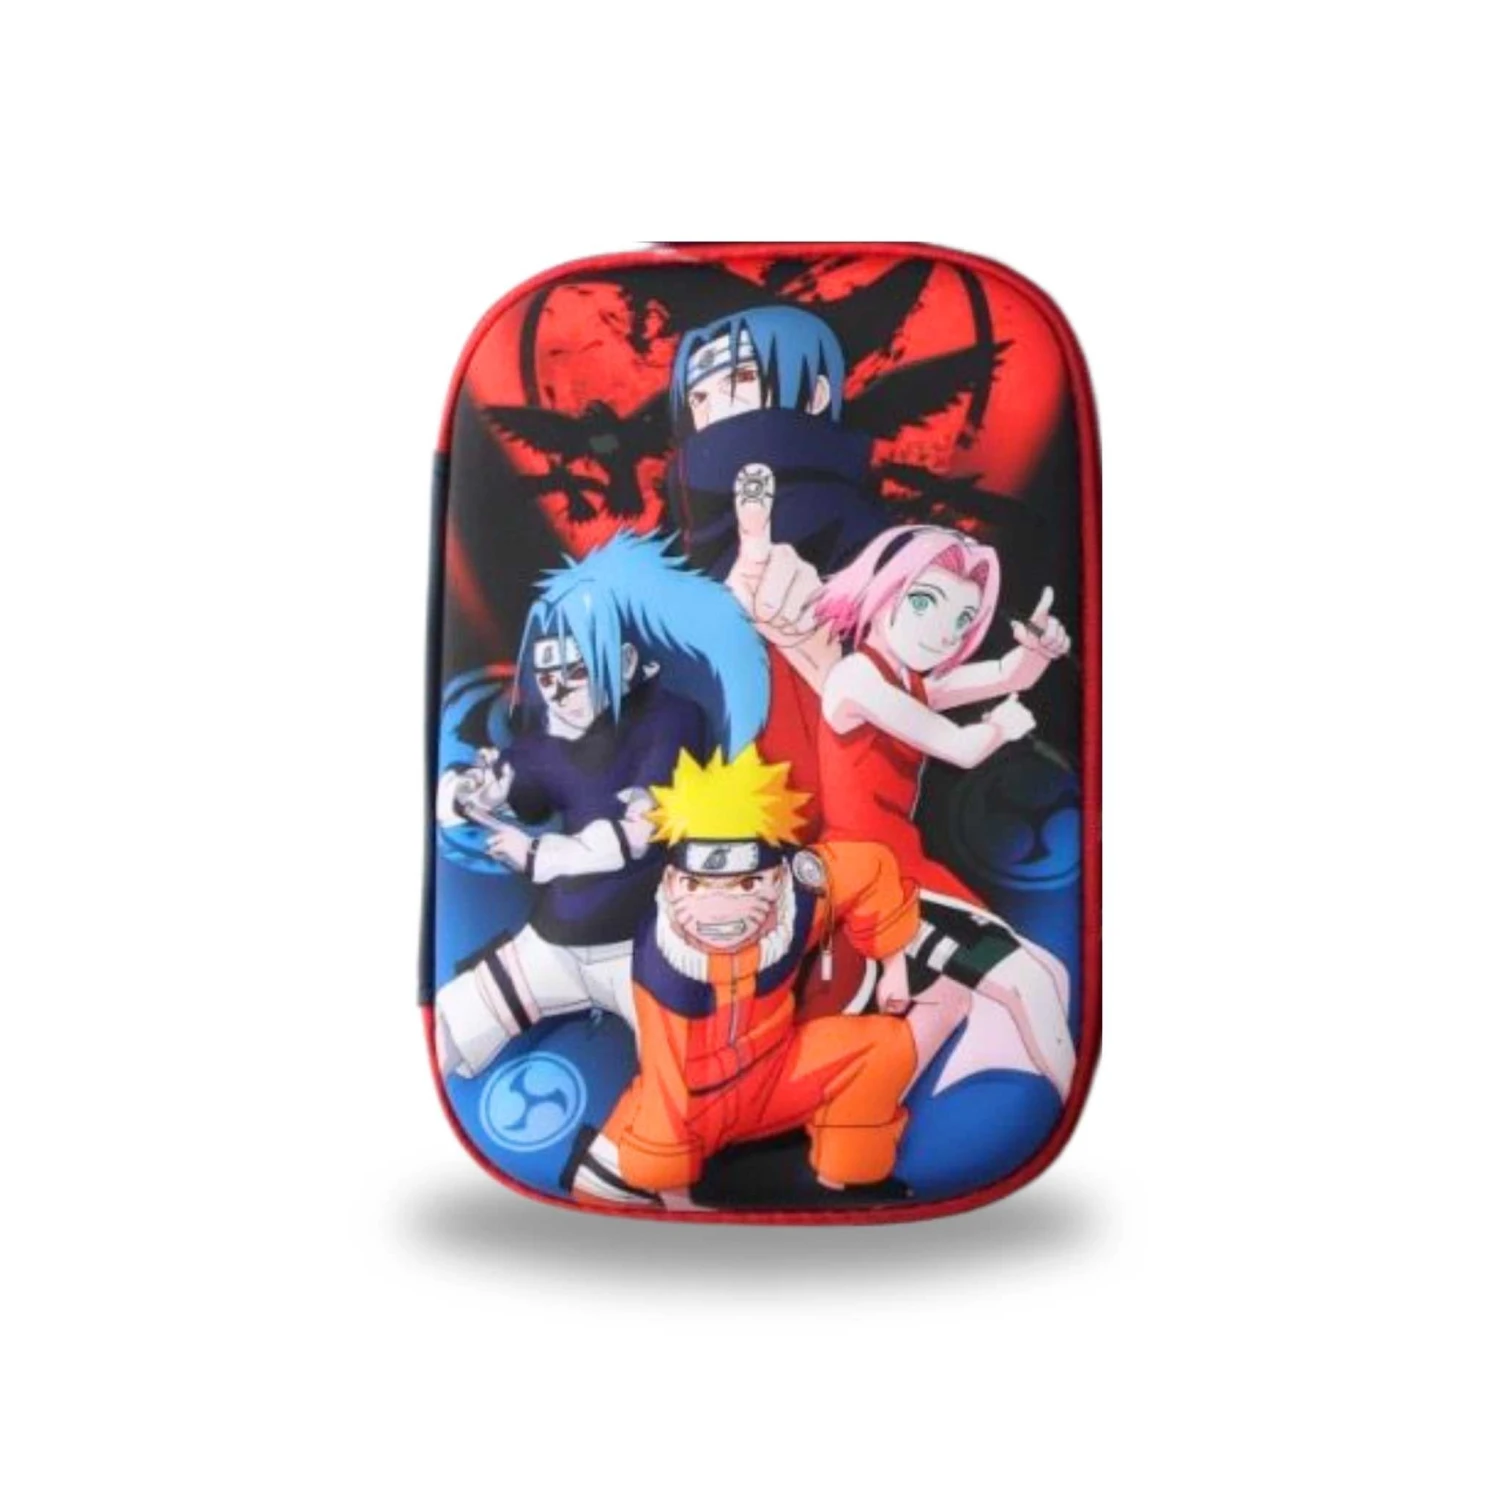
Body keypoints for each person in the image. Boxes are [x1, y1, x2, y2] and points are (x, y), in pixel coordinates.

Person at [433, 532, 768, 1079]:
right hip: (554, 942)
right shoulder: (544, 739)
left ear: (626, 660)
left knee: (688, 1085)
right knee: (455, 1023)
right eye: (548, 675)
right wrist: (474, 792)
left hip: (647, 953)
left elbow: (640, 829)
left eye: (577, 670)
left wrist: (539, 854)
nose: (560, 690)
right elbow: (514, 787)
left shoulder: (671, 720)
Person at [565, 745, 926, 1209]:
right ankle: (627, 1175)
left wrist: (893, 963)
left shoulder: (802, 890)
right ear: (672, 883)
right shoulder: (666, 969)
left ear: (777, 878)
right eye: (696, 884)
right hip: (695, 1107)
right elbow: (667, 1091)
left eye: (747, 884)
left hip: (775, 1072)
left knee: (884, 1046)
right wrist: (677, 1195)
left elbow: (869, 868)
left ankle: (845, 1178)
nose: (720, 908)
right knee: (608, 1184)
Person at [814, 524, 1077, 1098]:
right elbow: (958, 746)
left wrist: (1039, 648)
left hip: (899, 866)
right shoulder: (857, 677)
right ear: (884, 588)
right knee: (1027, 983)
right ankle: (1066, 1092)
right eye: (923, 603)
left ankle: (868, 1117)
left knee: (951, 998)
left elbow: (1007, 674)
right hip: (867, 873)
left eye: (962, 620)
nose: (942, 633)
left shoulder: (909, 681)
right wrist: (1000, 726)